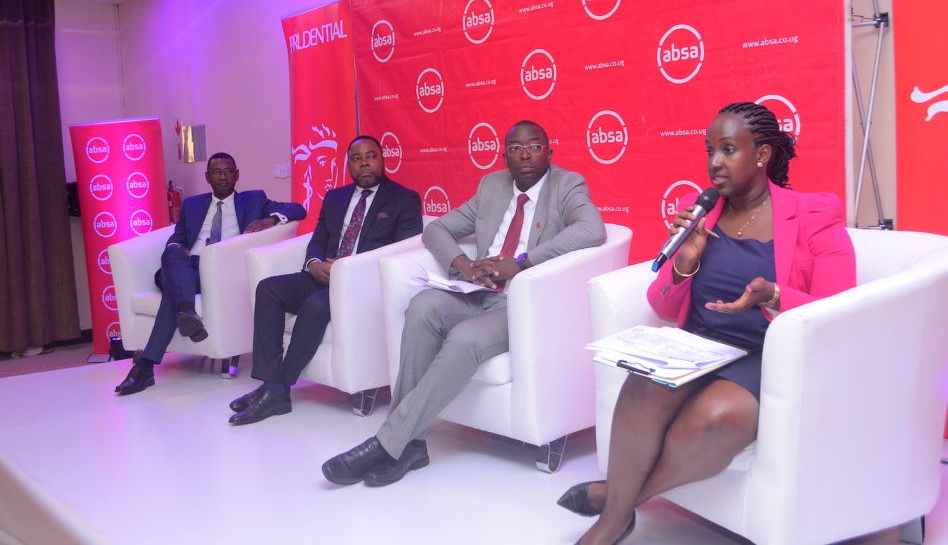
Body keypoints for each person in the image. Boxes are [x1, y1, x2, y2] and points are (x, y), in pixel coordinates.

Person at [556, 102, 857, 544]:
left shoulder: (813, 214)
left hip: (767, 351)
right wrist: (685, 262)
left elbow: (840, 309)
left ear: (762, 155)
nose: (715, 162)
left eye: (729, 149)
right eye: (710, 149)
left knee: (715, 418)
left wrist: (773, 295)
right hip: (699, 343)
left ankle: (619, 502)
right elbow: (659, 302)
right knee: (640, 385)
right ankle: (614, 520)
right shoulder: (699, 211)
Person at [321, 120, 607, 487]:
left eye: (534, 146)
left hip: (522, 305)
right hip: (480, 292)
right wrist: (465, 267)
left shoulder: (567, 185)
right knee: (423, 305)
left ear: (549, 152)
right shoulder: (492, 186)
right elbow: (435, 229)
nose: (525, 154)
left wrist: (520, 264)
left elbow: (592, 229)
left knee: (464, 339)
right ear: (504, 155)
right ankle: (412, 445)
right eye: (516, 148)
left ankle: (388, 442)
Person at [228, 135, 423, 425]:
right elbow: (318, 239)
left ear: (383, 158)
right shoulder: (335, 197)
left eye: (371, 156)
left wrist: (347, 268)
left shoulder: (403, 198)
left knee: (316, 307)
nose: (365, 163)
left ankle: (277, 389)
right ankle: (271, 384)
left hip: (362, 284)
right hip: (323, 275)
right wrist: (314, 263)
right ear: (349, 165)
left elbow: (402, 251)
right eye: (356, 159)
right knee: (268, 289)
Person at [114, 152, 306, 396]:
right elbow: (179, 236)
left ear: (237, 175)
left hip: (219, 271)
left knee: (171, 292)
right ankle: (185, 312)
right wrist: (176, 246)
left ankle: (146, 366)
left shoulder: (254, 199)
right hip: (188, 267)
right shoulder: (193, 204)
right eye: (217, 172)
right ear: (208, 177)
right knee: (172, 253)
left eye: (228, 171)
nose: (223, 177)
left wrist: (271, 219)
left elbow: (298, 209)